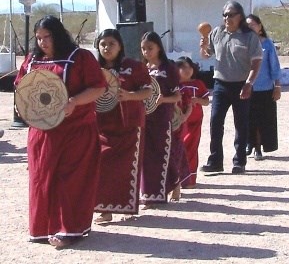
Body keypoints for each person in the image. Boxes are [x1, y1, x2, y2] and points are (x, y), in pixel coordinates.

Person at [14, 15, 106, 248]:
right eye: (39, 38)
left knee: (71, 180)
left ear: (58, 35)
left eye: (48, 37)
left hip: (75, 131)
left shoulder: (80, 57)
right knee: (42, 179)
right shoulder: (32, 60)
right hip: (42, 132)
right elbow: (22, 87)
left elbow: (98, 87)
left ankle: (70, 230)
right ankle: (43, 228)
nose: (43, 42)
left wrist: (74, 101)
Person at [94, 29, 152, 222]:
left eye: (111, 44)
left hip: (129, 124)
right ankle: (105, 210)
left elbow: (147, 92)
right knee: (102, 165)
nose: (107, 48)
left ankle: (127, 208)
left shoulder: (133, 66)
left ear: (120, 46)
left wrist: (129, 96)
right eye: (103, 44)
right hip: (102, 125)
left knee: (127, 167)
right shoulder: (93, 69)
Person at [199, 1, 263, 174]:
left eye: (231, 14)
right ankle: (215, 161)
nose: (227, 18)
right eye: (225, 14)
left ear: (240, 16)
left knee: (240, 124)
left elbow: (256, 62)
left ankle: (239, 161)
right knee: (215, 122)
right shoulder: (217, 33)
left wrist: (249, 83)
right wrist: (204, 46)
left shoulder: (249, 36)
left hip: (242, 84)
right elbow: (206, 55)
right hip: (220, 84)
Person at [140, 31, 181, 208]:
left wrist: (163, 99)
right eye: (143, 49)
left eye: (150, 48)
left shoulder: (169, 68)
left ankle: (170, 185)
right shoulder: (142, 69)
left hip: (162, 117)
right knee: (146, 156)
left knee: (163, 152)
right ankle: (149, 193)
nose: (146, 52)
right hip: (144, 117)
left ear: (158, 48)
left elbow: (177, 96)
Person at [245, 14, 281, 160]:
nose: (250, 27)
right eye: (247, 25)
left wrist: (277, 86)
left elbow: (275, 66)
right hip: (245, 87)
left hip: (264, 88)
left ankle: (258, 148)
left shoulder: (267, 44)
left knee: (261, 120)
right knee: (247, 119)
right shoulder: (242, 44)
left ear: (260, 27)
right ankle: (248, 143)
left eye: (253, 24)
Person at [175, 56, 209, 187]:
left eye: (189, 67)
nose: (187, 70)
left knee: (192, 148)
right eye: (183, 67)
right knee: (179, 148)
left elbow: (206, 101)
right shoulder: (174, 85)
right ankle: (177, 179)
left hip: (194, 123)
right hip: (178, 123)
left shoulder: (198, 84)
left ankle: (190, 179)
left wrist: (197, 100)